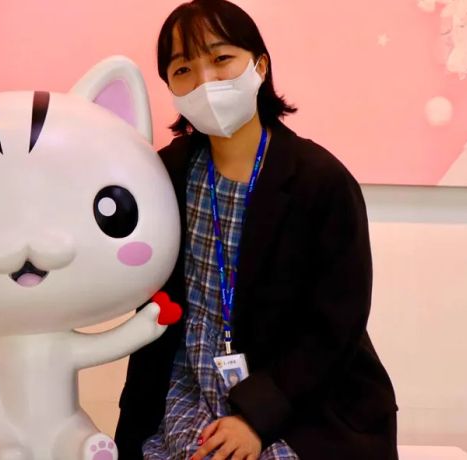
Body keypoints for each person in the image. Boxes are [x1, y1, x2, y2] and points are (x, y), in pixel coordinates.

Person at [115, 1, 398, 459]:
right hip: (186, 385)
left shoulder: (319, 180)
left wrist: (255, 417)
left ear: (259, 66)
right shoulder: (164, 172)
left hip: (303, 397)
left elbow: (335, 325)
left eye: (222, 58)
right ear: (170, 86)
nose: (206, 81)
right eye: (184, 68)